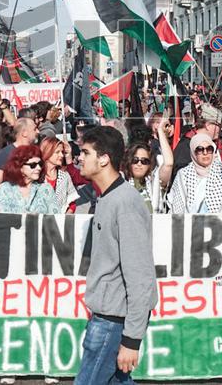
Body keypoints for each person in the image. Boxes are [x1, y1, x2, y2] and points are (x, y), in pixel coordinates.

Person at [76, 126, 157, 384]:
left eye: (85, 152)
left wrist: (131, 340)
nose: (79, 157)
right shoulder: (107, 199)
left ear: (103, 159)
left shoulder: (125, 203)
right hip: (106, 320)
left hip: (112, 325)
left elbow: (140, 276)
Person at [168, 132, 222, 214]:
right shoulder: (184, 174)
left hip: (219, 223)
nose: (205, 153)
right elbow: (176, 208)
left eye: (209, 149)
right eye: (200, 149)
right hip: (191, 224)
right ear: (193, 152)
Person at [0, 144, 60, 214]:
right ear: (19, 167)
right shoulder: (5, 189)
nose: (38, 168)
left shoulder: (46, 189)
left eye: (40, 164)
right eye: (33, 165)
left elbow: (57, 218)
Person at [0, 117, 38, 199]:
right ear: (25, 133)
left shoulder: (35, 152)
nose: (38, 132)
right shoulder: (5, 154)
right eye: (35, 129)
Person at [40, 137, 76, 212]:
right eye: (57, 152)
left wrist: (66, 217)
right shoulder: (37, 176)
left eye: (62, 152)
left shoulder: (64, 176)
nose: (61, 155)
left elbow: (71, 203)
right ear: (47, 152)